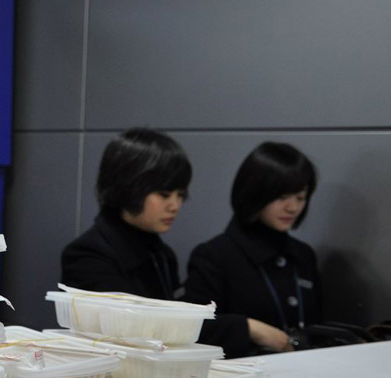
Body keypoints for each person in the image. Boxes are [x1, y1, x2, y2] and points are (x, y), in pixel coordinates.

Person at [183, 142, 322, 358]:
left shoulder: (303, 254)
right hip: (242, 373)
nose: (293, 207)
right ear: (255, 193)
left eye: (300, 197)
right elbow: (192, 328)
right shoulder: (215, 255)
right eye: (282, 197)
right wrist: (248, 328)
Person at [60, 128, 192, 300]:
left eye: (180, 195)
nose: (175, 206)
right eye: (164, 195)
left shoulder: (163, 255)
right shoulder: (87, 255)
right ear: (129, 188)